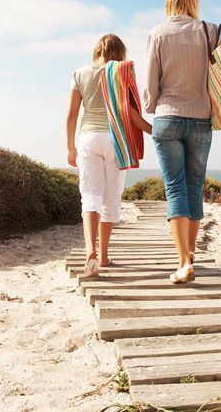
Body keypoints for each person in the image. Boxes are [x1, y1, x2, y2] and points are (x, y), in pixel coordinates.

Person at [144, 0, 221, 284]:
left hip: (168, 117)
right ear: (193, 0)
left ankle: (183, 262)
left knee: (175, 188)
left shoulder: (157, 33)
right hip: (201, 118)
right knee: (194, 186)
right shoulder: (208, 30)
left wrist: (153, 104)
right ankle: (190, 256)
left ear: (169, 2)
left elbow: (151, 84)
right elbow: (220, 74)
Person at [67, 34, 152, 278]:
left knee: (90, 197)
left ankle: (90, 252)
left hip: (88, 138)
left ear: (97, 52)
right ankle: (104, 256)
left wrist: (70, 147)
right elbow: (130, 114)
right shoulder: (119, 73)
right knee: (110, 200)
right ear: (120, 53)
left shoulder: (80, 73)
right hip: (115, 140)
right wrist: (154, 131)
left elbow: (72, 115)